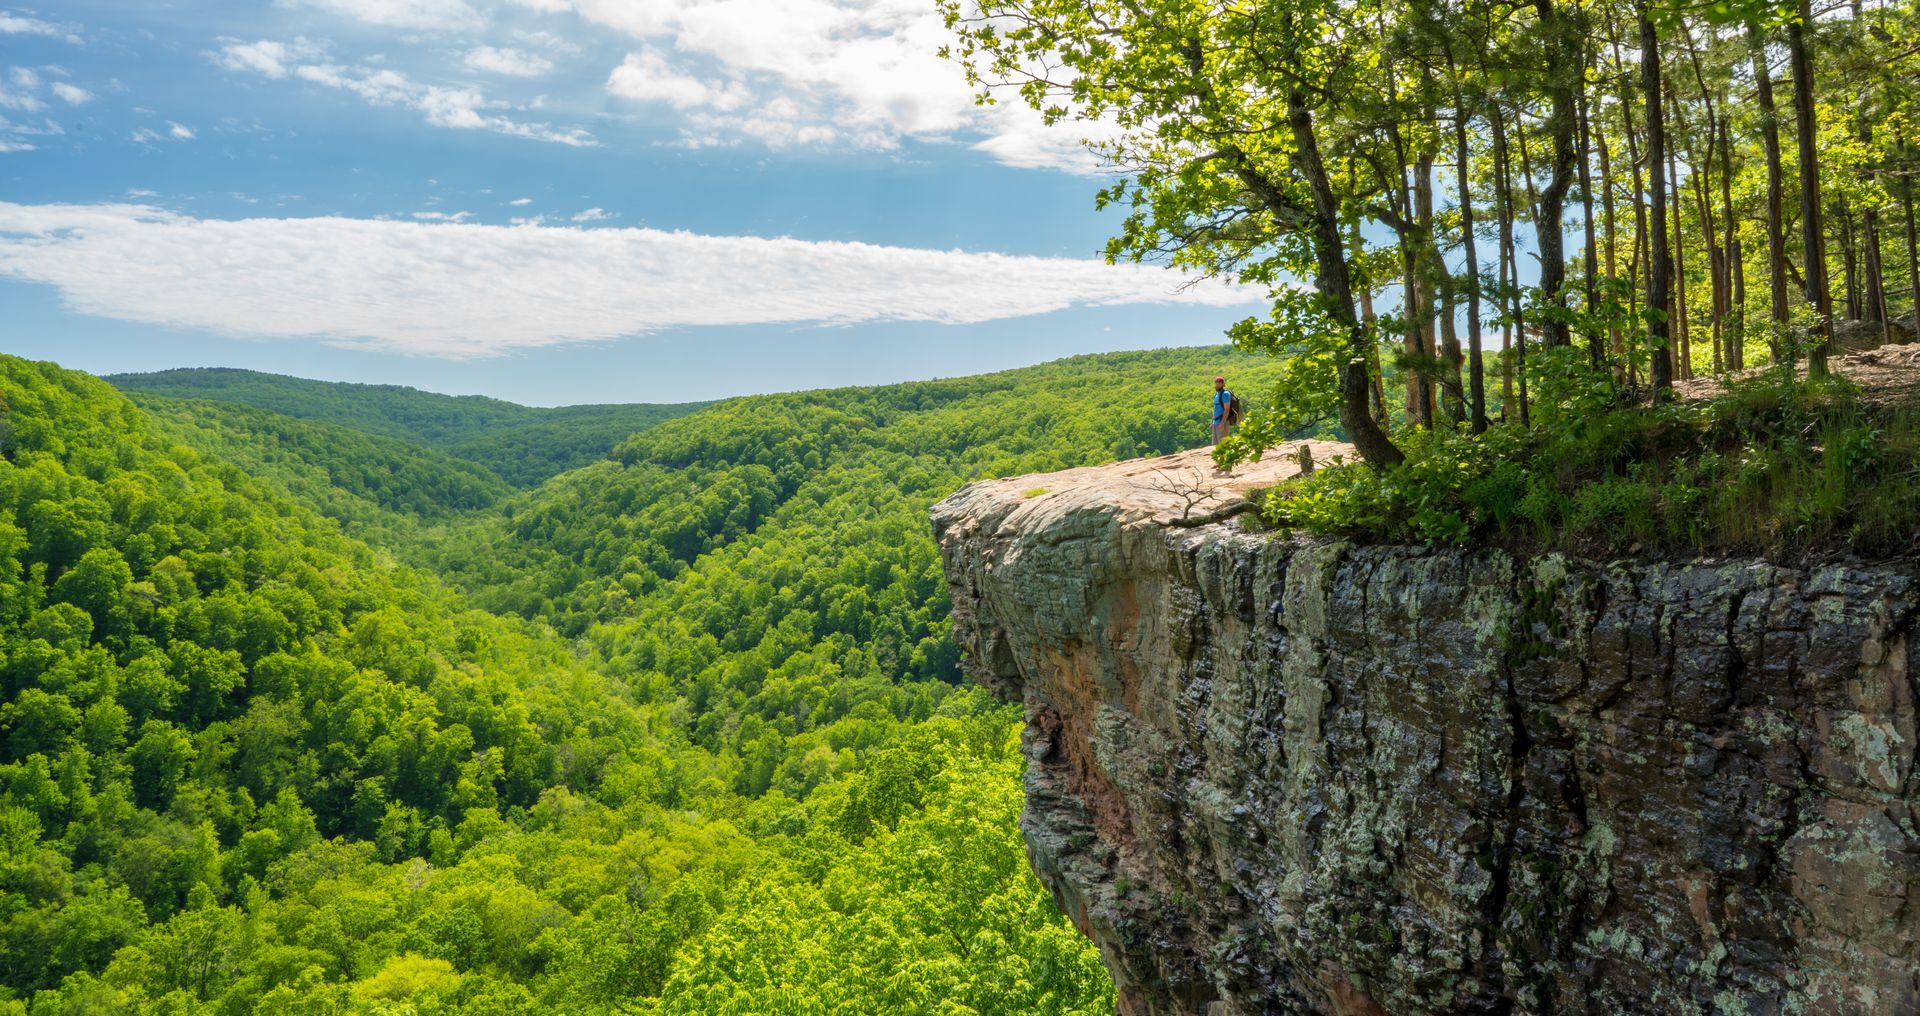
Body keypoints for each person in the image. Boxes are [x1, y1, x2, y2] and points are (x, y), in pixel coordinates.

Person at [1211, 375, 1234, 444]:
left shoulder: (1225, 394)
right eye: (1216, 383)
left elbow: (1227, 410)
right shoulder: (1216, 395)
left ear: (1223, 384)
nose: (1217, 385)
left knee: (1223, 445)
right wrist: (1212, 422)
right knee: (1217, 446)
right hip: (1216, 423)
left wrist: (1222, 423)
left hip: (1222, 423)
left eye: (1218, 383)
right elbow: (1215, 409)